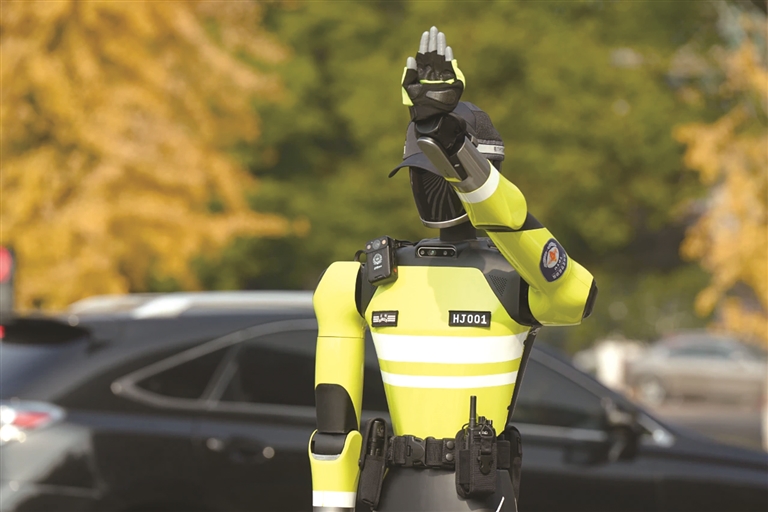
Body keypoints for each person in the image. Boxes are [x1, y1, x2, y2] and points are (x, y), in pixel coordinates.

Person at [308, 27, 597, 512]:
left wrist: (450, 144)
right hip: (394, 492)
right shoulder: (356, 282)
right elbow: (334, 433)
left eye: (436, 173)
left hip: (479, 495)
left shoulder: (517, 278)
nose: (427, 188)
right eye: (419, 174)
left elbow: (574, 294)